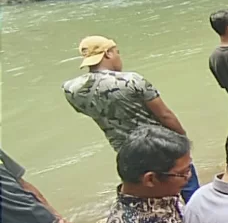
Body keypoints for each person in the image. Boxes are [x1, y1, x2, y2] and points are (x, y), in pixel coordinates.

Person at [63, 35, 200, 202]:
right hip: (160, 146)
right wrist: (182, 140)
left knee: (151, 195)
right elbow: (165, 115)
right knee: (187, 185)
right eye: (117, 52)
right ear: (108, 54)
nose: (119, 57)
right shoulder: (130, 80)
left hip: (127, 152)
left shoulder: (71, 89)